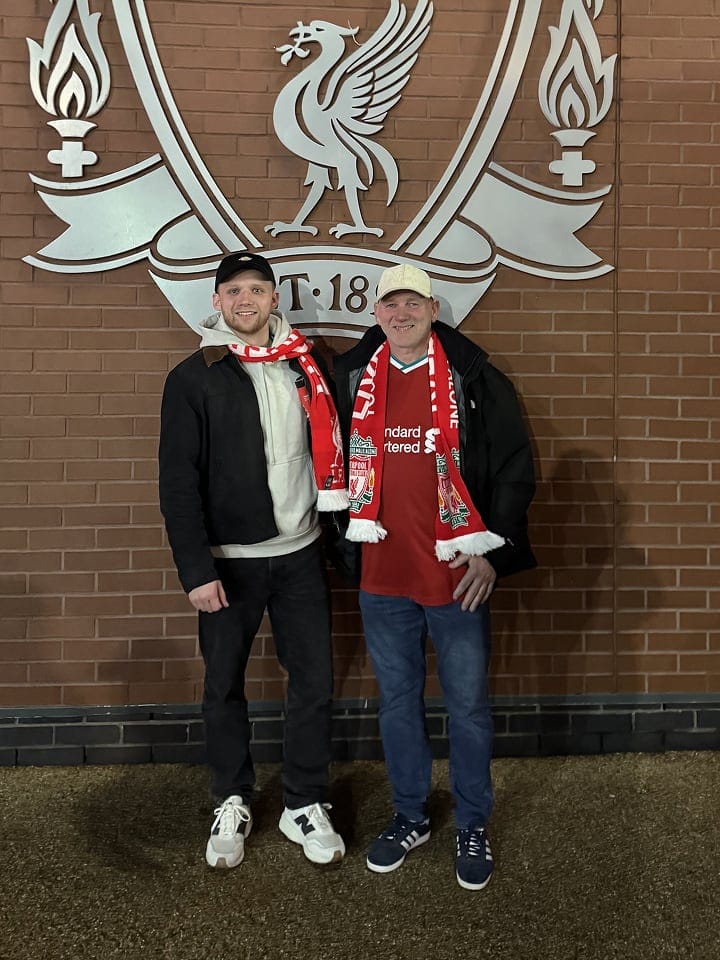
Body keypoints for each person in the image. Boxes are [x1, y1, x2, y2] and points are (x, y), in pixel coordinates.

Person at [334, 263, 536, 890]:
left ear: (434, 309)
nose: (401, 314)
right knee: (397, 703)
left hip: (456, 575)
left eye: (412, 304)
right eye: (390, 304)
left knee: (469, 707)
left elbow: (514, 466)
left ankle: (473, 821)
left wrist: (492, 553)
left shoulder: (474, 379)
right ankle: (410, 814)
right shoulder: (350, 379)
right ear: (376, 315)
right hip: (382, 575)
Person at [159, 252, 348, 869]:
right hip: (229, 562)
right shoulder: (194, 376)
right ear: (218, 302)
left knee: (314, 683)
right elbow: (178, 483)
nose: (247, 301)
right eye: (234, 291)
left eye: (258, 290)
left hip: (301, 552)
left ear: (275, 299)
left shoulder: (308, 365)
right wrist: (196, 571)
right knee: (222, 686)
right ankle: (232, 797)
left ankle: (303, 801)